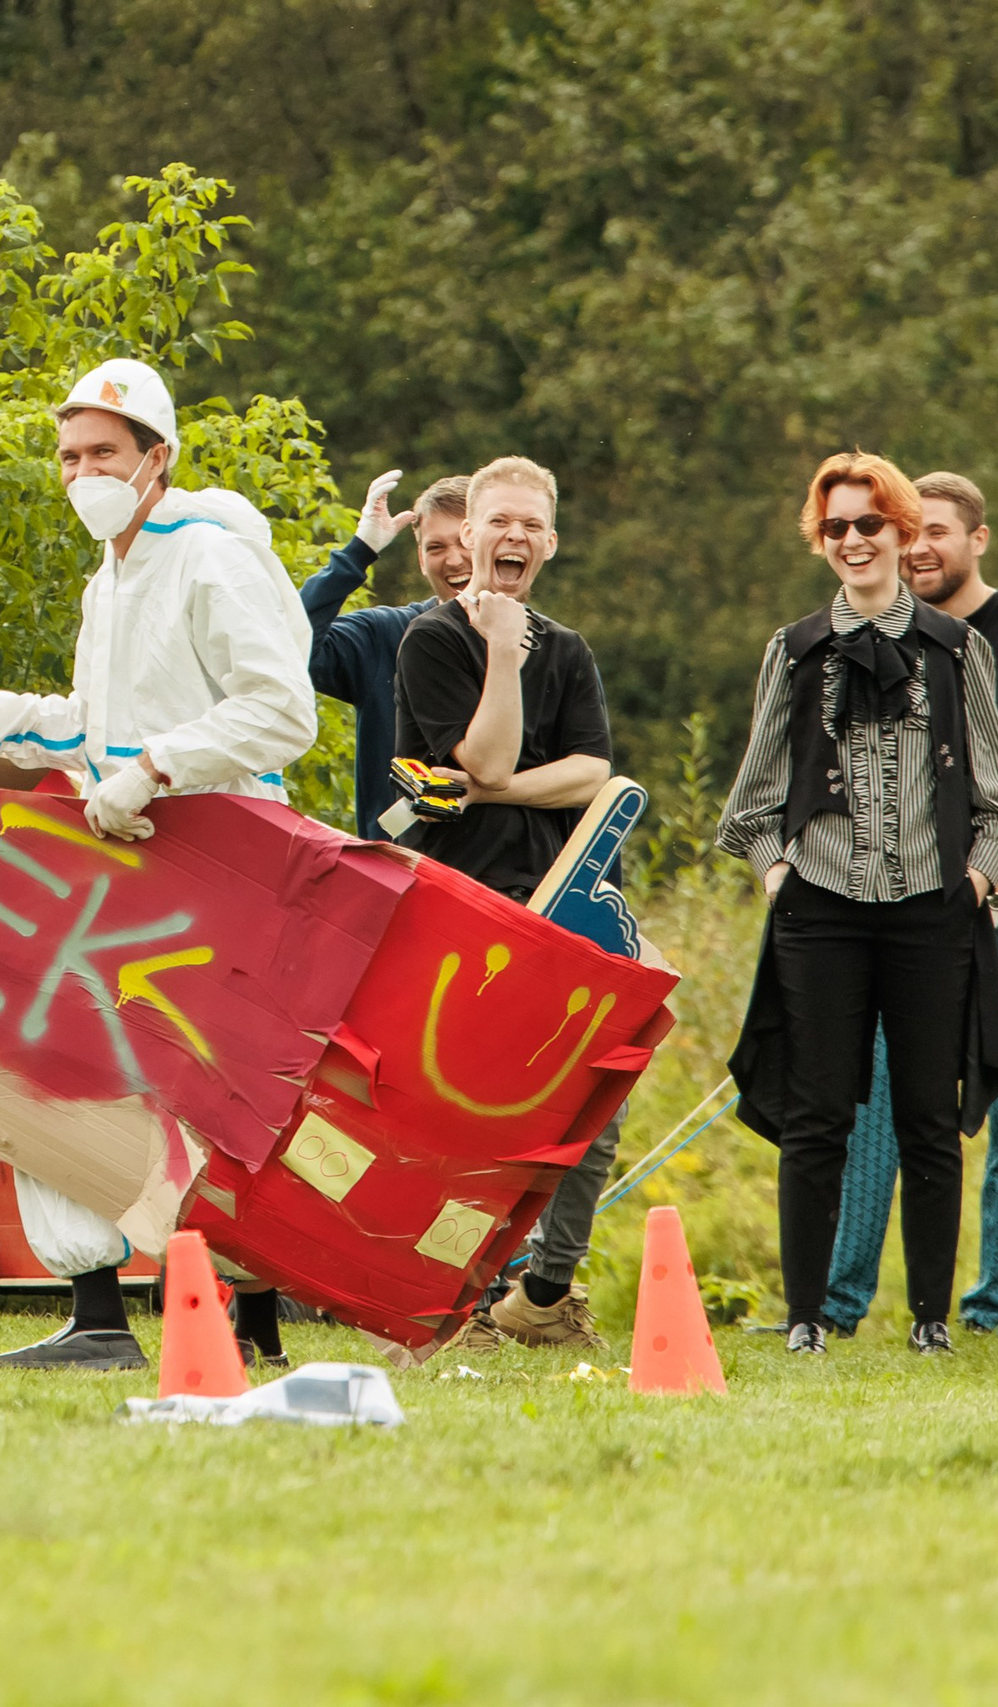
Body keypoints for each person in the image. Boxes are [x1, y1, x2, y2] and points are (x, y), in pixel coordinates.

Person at [0, 357, 320, 1371]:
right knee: (54, 1057)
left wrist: (156, 766)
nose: (81, 472)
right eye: (67, 456)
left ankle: (252, 1325)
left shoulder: (208, 558)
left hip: (229, 852)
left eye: (102, 452)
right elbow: (101, 728)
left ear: (156, 457)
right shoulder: (105, 577)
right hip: (135, 861)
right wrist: (2, 721)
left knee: (226, 1090)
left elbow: (283, 710)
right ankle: (98, 1312)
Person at [720, 451, 998, 1357]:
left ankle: (932, 1318)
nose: (852, 540)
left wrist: (973, 882)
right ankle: (807, 1318)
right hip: (822, 909)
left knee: (931, 1113)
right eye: (835, 528)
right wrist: (781, 878)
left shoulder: (958, 648)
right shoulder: (793, 648)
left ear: (901, 530)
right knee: (817, 1116)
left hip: (934, 909)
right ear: (822, 541)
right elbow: (749, 805)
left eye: (868, 524)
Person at [821, 471, 998, 1337]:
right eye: (911, 532)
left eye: (939, 531)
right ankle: (835, 1302)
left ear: (978, 539)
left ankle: (990, 1310)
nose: (921, 547)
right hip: (892, 913)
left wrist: (997, 889)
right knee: (870, 1108)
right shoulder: (875, 635)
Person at [388, 455, 620, 1352]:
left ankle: (546, 1291)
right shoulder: (434, 641)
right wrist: (502, 648)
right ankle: (460, 1300)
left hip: (555, 898)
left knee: (595, 1088)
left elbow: (592, 773)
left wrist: (493, 791)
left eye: (531, 524)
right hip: (455, 904)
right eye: (499, 523)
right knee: (464, 1104)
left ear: (550, 540)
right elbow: (488, 752)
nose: (513, 536)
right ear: (470, 534)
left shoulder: (570, 648)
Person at [299, 471, 473, 839]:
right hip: (397, 873)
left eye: (465, 541)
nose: (454, 560)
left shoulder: (540, 645)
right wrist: (359, 551)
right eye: (436, 547)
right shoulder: (384, 636)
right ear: (421, 560)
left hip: (500, 880)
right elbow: (289, 645)